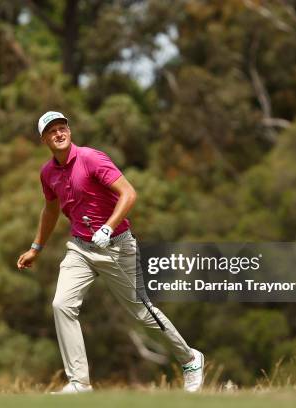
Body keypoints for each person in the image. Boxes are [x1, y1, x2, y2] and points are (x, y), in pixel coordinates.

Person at [16, 111, 204, 394]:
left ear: (69, 130)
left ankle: (190, 359)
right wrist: (36, 247)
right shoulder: (48, 173)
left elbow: (129, 193)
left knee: (141, 312)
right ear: (44, 138)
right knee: (61, 305)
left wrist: (107, 227)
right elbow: (51, 209)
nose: (59, 133)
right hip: (80, 248)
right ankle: (79, 383)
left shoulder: (92, 158)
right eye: (51, 130)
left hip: (117, 247)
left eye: (62, 127)